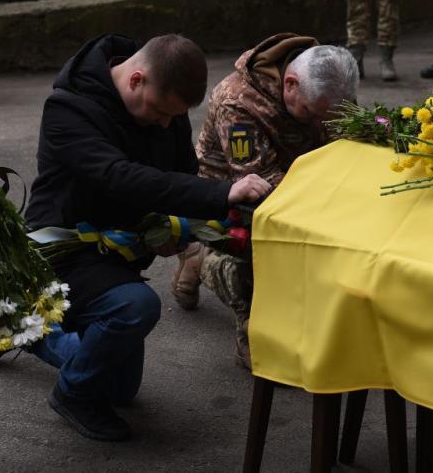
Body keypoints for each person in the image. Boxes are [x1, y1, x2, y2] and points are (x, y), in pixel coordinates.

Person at [24, 33, 271, 441]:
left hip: (118, 250)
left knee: (121, 389)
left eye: (174, 117)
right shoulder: (67, 109)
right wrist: (222, 192)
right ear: (136, 80)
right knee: (136, 306)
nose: (165, 124)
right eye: (159, 113)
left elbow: (178, 175)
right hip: (66, 247)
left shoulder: (164, 109)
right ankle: (71, 395)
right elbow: (119, 177)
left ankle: (31, 331)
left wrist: (178, 229)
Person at [170, 35, 359, 369]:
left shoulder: (323, 82)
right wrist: (330, 198)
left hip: (303, 180)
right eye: (311, 114)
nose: (320, 124)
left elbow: (348, 133)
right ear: (290, 84)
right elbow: (260, 182)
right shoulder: (238, 102)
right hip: (231, 195)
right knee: (264, 261)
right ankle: (222, 283)